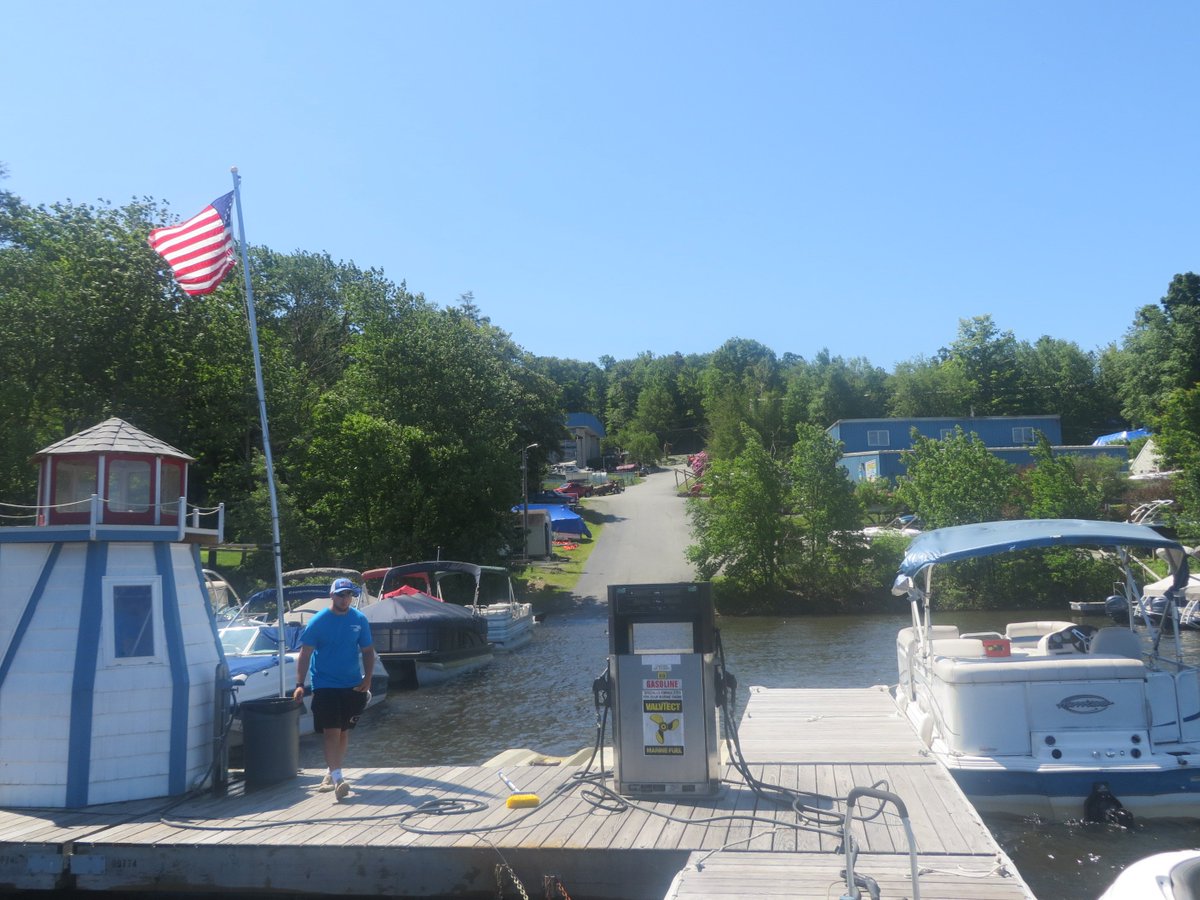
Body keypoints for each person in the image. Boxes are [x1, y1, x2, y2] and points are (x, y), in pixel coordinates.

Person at [292, 576, 376, 801]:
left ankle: (332, 770)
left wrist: (368, 678)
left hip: (352, 684)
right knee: (331, 730)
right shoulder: (319, 621)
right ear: (332, 595)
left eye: (348, 594)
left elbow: (368, 651)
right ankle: (338, 778)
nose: (345, 598)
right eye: (341, 594)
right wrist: (300, 684)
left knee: (343, 731)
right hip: (325, 684)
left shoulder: (359, 619)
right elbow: (305, 653)